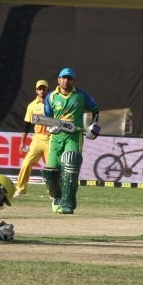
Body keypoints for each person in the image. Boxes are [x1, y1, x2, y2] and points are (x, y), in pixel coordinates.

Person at [42, 67, 100, 214]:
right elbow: (47, 118)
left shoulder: (80, 95)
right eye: (63, 78)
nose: (66, 81)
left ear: (73, 80)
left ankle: (68, 203)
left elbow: (95, 108)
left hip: (74, 135)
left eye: (69, 78)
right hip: (56, 137)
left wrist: (94, 125)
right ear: (58, 80)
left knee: (70, 167)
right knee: (51, 171)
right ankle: (56, 197)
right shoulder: (51, 97)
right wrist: (50, 127)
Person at [13, 79, 52, 198]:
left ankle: (53, 192)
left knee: (52, 166)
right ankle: (20, 188)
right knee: (26, 163)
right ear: (36, 91)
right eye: (39, 89)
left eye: (44, 88)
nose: (42, 91)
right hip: (38, 138)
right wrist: (22, 143)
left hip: (51, 138)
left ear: (47, 90)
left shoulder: (53, 103)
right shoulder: (32, 106)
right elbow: (27, 125)